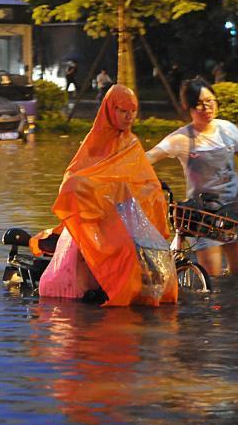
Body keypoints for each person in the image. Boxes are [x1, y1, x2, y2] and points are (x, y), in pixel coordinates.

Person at [30, 84, 177, 307]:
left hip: (124, 219)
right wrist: (94, 189)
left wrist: (148, 193)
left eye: (133, 111)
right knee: (121, 252)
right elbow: (72, 179)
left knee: (155, 253)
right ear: (110, 110)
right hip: (94, 221)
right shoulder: (94, 144)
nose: (129, 117)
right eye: (123, 111)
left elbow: (146, 182)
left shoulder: (132, 144)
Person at [146, 77, 238, 277]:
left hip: (234, 211)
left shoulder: (227, 129)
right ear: (188, 107)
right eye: (199, 104)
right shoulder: (181, 138)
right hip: (203, 216)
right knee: (210, 278)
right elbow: (150, 157)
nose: (206, 108)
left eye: (210, 101)